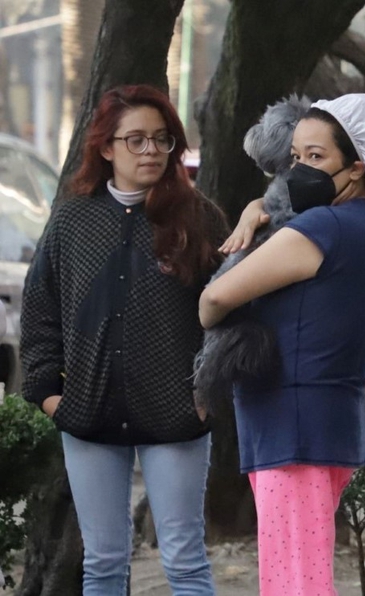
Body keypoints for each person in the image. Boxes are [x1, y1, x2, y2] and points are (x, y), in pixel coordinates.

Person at [20, 85, 228, 594]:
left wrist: (207, 394)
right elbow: (40, 310)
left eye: (162, 139)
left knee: (184, 559)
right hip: (88, 413)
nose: (151, 150)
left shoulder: (199, 218)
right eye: (136, 139)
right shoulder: (72, 220)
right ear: (107, 147)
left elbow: (232, 315)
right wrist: (49, 395)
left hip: (176, 415)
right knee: (103, 561)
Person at [199, 94, 365, 596]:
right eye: (294, 156)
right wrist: (256, 209)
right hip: (326, 421)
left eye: (316, 156)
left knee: (296, 582)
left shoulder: (322, 227)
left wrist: (211, 305)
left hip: (292, 426)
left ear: (357, 167)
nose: (298, 170)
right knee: (299, 574)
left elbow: (216, 297)